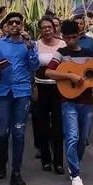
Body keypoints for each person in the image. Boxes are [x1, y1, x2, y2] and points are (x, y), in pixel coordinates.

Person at [45, 19, 93, 185]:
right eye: (67, 37)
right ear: (63, 37)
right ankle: (75, 174)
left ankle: (74, 162)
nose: (70, 40)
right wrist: (70, 77)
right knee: (72, 136)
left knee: (83, 138)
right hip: (68, 101)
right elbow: (48, 71)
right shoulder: (60, 53)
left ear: (79, 36)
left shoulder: (88, 52)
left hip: (86, 101)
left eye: (74, 37)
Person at [0, 13, 39, 185]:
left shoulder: (29, 44)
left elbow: (35, 66)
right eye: (11, 23)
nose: (15, 25)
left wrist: (30, 47)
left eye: (18, 22)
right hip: (3, 91)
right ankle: (2, 161)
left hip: (22, 91)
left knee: (18, 133)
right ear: (6, 26)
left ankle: (16, 171)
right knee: (2, 133)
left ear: (22, 25)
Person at [33, 17, 64, 174]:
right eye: (43, 27)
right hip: (41, 88)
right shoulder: (35, 46)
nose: (47, 29)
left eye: (49, 27)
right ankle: (45, 159)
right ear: (40, 30)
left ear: (54, 28)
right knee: (42, 125)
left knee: (59, 125)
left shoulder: (62, 44)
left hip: (59, 89)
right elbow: (31, 66)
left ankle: (59, 161)